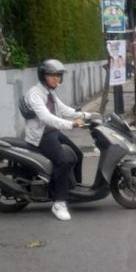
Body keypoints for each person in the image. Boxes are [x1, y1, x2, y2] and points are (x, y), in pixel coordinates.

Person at [23, 59, 94, 221]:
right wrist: (71, 124)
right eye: (52, 75)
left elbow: (63, 109)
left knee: (78, 154)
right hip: (41, 136)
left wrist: (86, 115)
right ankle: (59, 201)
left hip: (52, 132)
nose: (56, 79)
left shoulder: (50, 92)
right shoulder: (35, 94)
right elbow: (46, 117)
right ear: (43, 76)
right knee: (62, 161)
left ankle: (72, 190)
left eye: (58, 76)